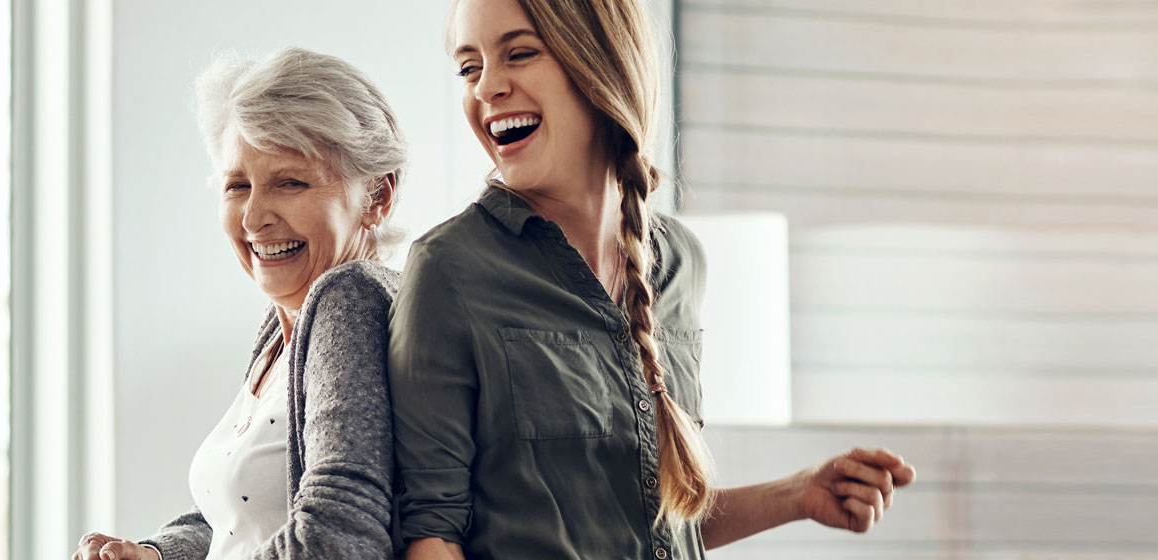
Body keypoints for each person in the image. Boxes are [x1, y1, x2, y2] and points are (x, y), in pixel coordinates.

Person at [390, 1, 917, 559]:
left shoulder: (680, 263)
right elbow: (431, 537)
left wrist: (795, 494)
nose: (486, 88)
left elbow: (653, 519)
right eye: (469, 67)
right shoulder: (447, 271)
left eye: (520, 54)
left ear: (601, 64)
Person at [72, 46, 407, 560]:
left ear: (377, 196)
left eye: (289, 182)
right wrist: (158, 553)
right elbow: (241, 518)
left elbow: (340, 535)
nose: (253, 218)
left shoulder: (348, 301)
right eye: (237, 185)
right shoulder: (280, 334)